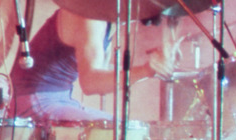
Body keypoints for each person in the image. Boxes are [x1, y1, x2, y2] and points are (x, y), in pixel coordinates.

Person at [10, 8, 175, 121]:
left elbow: (100, 75)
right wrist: (146, 70)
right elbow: (91, 83)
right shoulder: (91, 18)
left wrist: (148, 67)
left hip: (57, 99)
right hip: (32, 100)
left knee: (125, 129)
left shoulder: (104, 21)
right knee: (120, 133)